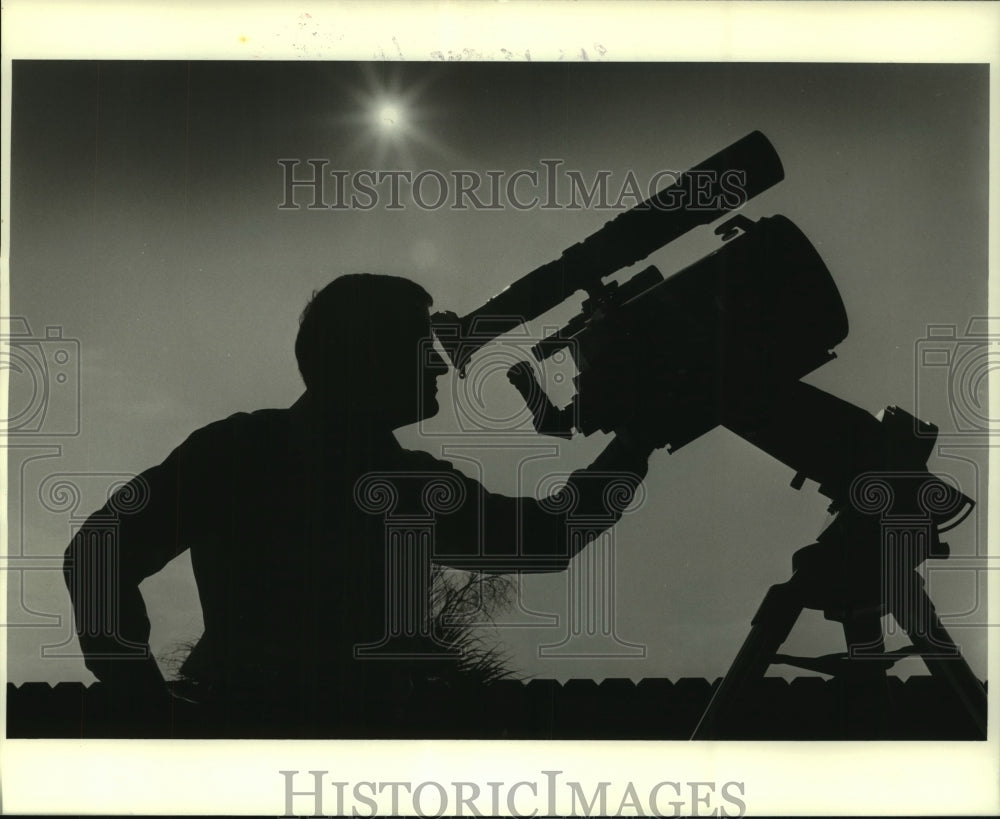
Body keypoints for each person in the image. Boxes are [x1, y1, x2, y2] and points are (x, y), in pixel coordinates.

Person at [63, 273, 659, 734]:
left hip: (247, 727)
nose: (437, 363)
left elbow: (97, 551)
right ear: (365, 356)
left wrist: (141, 698)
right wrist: (632, 447)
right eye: (417, 345)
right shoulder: (388, 479)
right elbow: (543, 540)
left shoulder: (237, 448)